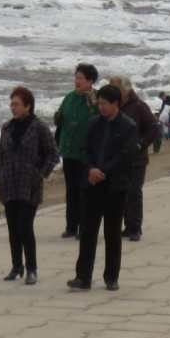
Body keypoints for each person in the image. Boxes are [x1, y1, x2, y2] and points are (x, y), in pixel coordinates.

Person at [67, 85, 138, 292]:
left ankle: (111, 277)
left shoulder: (128, 126)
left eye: (104, 103)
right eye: (99, 103)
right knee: (88, 231)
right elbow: (85, 149)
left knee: (112, 233)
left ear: (116, 104)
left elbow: (125, 156)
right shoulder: (94, 123)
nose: (101, 106)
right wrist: (90, 169)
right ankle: (83, 276)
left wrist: (102, 171)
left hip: (115, 187)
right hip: (91, 185)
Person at [0, 85, 59, 284]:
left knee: (25, 225)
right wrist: (1, 174)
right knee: (12, 226)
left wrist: (40, 174)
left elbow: (53, 154)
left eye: (16, 104)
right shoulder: (7, 127)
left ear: (28, 106)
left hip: (29, 184)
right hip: (9, 184)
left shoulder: (39, 127)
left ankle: (32, 268)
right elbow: (1, 155)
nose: (13, 108)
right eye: (11, 104)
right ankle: (16, 265)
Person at [53, 64, 99, 240]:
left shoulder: (95, 100)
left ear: (90, 81)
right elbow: (60, 115)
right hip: (69, 151)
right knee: (71, 190)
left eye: (81, 78)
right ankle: (71, 226)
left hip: (86, 153)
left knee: (84, 191)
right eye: (76, 77)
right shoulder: (70, 97)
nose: (77, 81)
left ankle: (84, 228)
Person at [114, 76, 159, 241]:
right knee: (122, 192)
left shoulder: (140, 106)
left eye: (116, 89)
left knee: (134, 192)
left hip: (137, 159)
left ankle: (135, 228)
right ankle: (127, 226)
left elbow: (153, 128)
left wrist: (140, 145)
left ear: (125, 90)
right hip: (119, 159)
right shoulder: (115, 106)